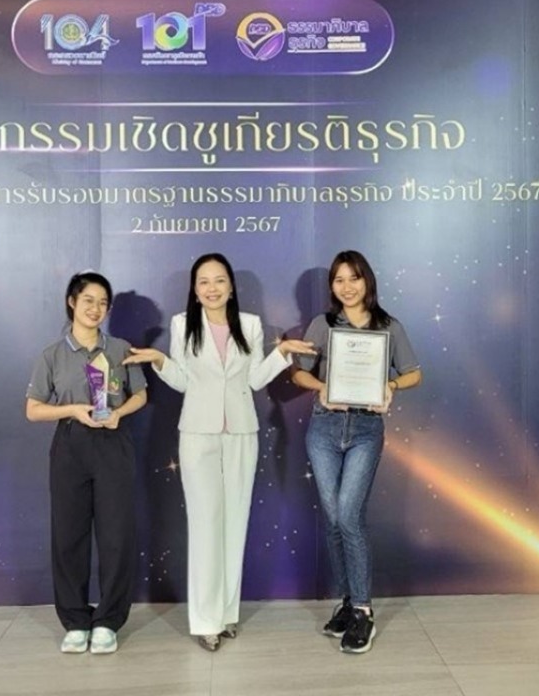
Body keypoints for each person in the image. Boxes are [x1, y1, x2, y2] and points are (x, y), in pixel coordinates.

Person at [123, 253, 315, 651]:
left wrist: (281, 353)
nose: (212, 288)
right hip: (198, 434)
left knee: (234, 522)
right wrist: (160, 360)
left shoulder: (251, 325)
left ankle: (227, 614)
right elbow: (183, 381)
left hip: (242, 432)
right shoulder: (183, 325)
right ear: (195, 290)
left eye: (219, 280)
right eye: (204, 282)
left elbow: (255, 379)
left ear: (231, 286)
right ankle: (205, 620)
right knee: (205, 523)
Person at [290, 250, 422, 654]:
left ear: (368, 281)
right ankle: (348, 602)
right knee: (334, 520)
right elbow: (298, 373)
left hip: (366, 428)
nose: (347, 287)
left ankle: (363, 610)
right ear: (332, 286)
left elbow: (414, 373)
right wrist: (321, 388)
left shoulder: (389, 326)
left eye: (354, 278)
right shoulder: (323, 325)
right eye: (339, 279)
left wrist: (390, 385)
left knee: (348, 515)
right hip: (324, 428)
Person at [25, 272, 148, 655]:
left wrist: (119, 413)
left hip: (113, 443)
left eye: (102, 303)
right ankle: (75, 621)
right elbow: (33, 409)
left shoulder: (120, 349)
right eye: (88, 300)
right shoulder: (52, 355)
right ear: (72, 302)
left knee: (116, 536)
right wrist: (72, 410)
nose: (95, 309)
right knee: (69, 537)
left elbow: (140, 395)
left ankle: (108, 621)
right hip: (70, 446)